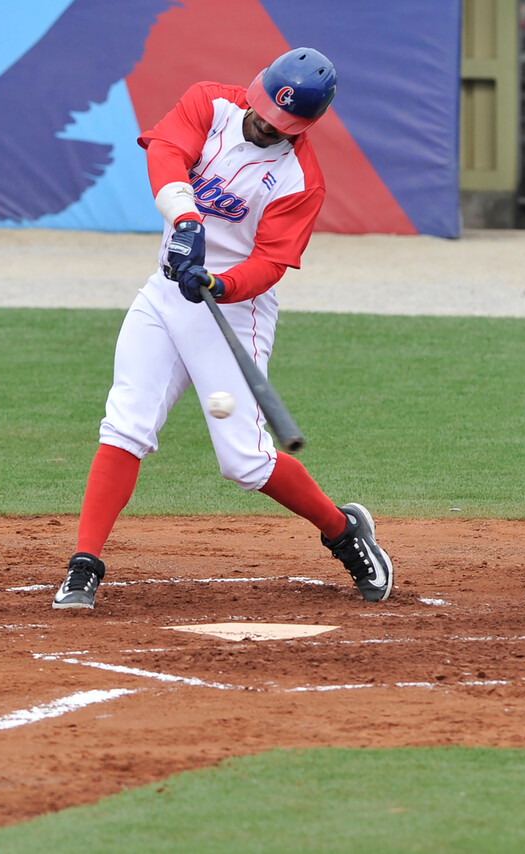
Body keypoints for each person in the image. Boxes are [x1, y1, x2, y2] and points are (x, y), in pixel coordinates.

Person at [52, 48, 393, 610]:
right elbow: (165, 153)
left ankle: (343, 531)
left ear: (304, 127)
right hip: (164, 295)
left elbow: (270, 264)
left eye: (278, 122)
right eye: (261, 108)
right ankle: (84, 564)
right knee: (125, 424)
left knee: (246, 462)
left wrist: (221, 283)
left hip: (232, 310)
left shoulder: (299, 179)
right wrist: (185, 221)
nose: (261, 121)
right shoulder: (210, 101)